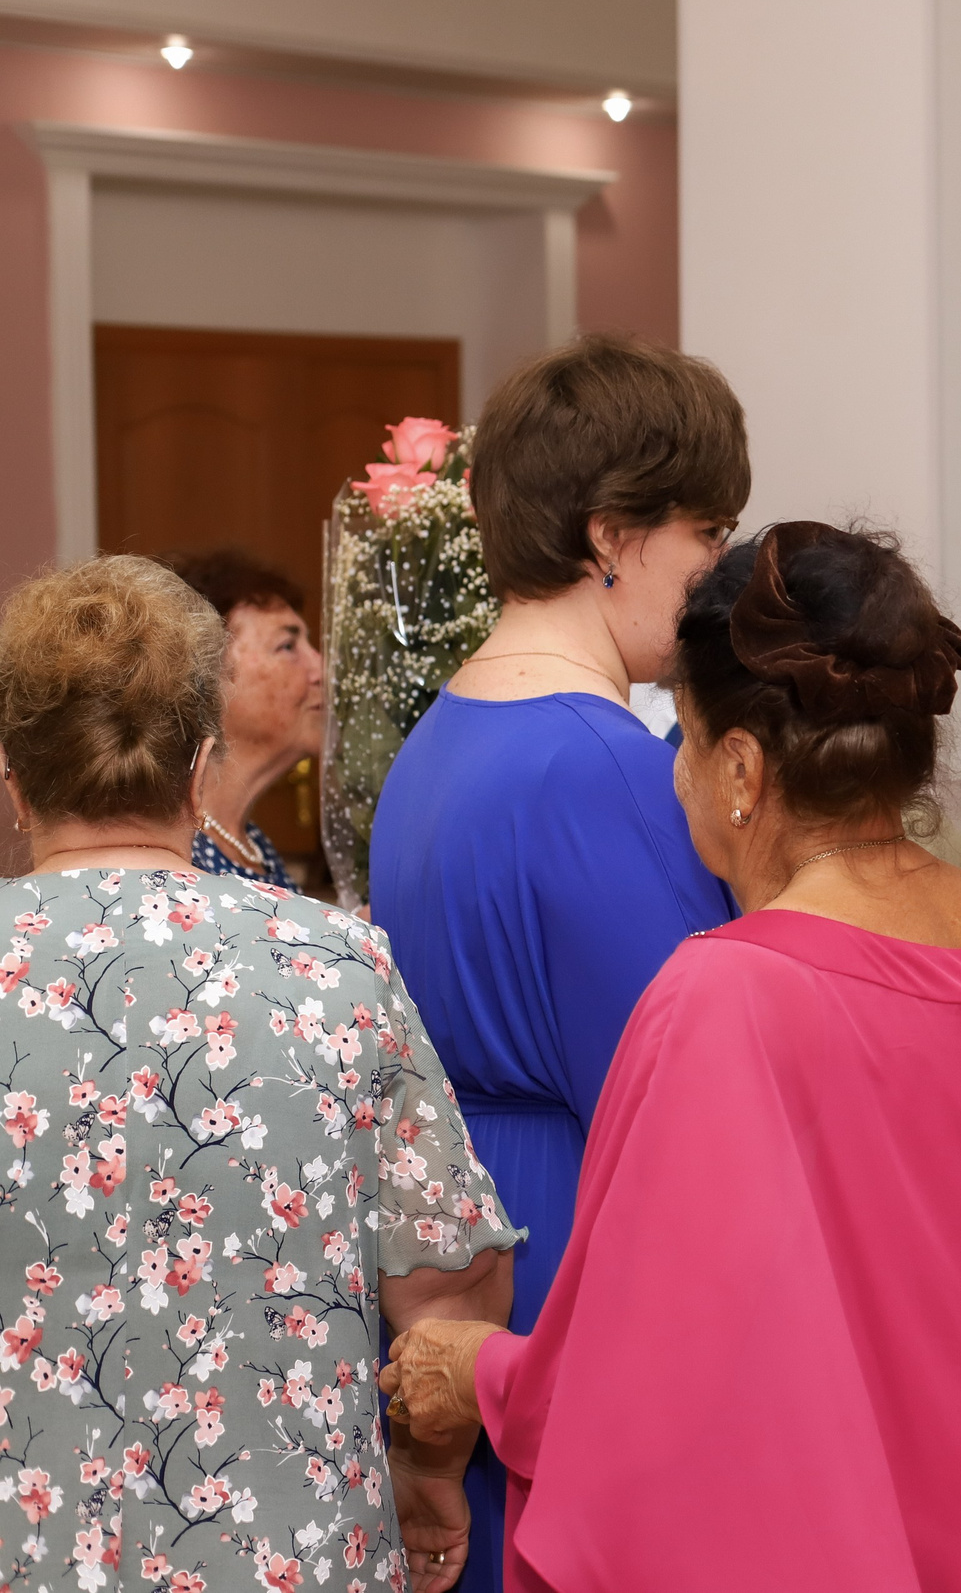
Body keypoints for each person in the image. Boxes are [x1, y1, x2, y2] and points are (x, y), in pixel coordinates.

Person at [376, 522, 961, 1592]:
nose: (674, 777)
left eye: (683, 742)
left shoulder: (726, 994)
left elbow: (663, 1392)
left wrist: (480, 1371)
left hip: (892, 1543)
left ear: (742, 770)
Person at [0, 555, 519, 1593]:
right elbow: (450, 1283)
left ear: (13, 780)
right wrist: (428, 1472)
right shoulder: (335, 963)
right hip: (294, 1558)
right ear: (199, 769)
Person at [367, 333, 748, 1593]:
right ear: (610, 535)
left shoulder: (437, 737)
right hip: (574, 1245)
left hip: (455, 1243)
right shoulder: (605, 766)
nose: (717, 570)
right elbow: (670, 1094)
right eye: (706, 532)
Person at [156, 548, 326, 888]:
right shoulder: (176, 854)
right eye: (287, 646)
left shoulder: (252, 843)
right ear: (207, 675)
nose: (320, 670)